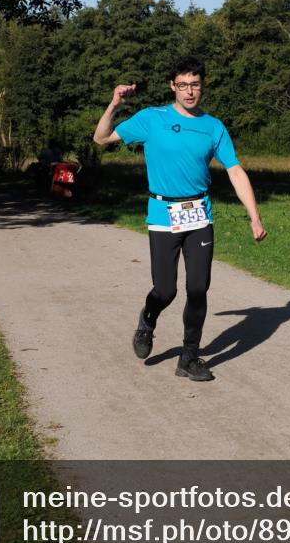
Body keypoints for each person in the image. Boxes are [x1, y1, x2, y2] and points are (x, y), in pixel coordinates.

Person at [93, 56, 267, 382]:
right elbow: (101, 138)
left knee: (198, 288)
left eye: (195, 85)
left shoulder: (213, 127)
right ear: (173, 86)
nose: (190, 92)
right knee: (165, 290)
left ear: (202, 86)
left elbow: (234, 170)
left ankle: (189, 357)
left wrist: (254, 216)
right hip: (162, 215)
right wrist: (114, 104)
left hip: (199, 214)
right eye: (183, 85)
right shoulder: (151, 118)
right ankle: (147, 321)